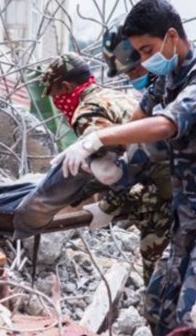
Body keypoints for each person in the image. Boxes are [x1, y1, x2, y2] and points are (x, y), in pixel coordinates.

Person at [55, 0, 196, 336]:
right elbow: (144, 140)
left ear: (172, 37)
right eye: (138, 53)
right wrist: (113, 171)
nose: (144, 60)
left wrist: (97, 139)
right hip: (188, 216)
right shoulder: (165, 82)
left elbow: (166, 125)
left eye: (147, 49)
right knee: (157, 305)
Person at [27, 50, 172, 282]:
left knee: (159, 283)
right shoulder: (114, 96)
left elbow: (117, 171)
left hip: (165, 195)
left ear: (65, 87)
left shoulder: (88, 112)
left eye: (54, 95)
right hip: (178, 182)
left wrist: (106, 206)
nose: (55, 103)